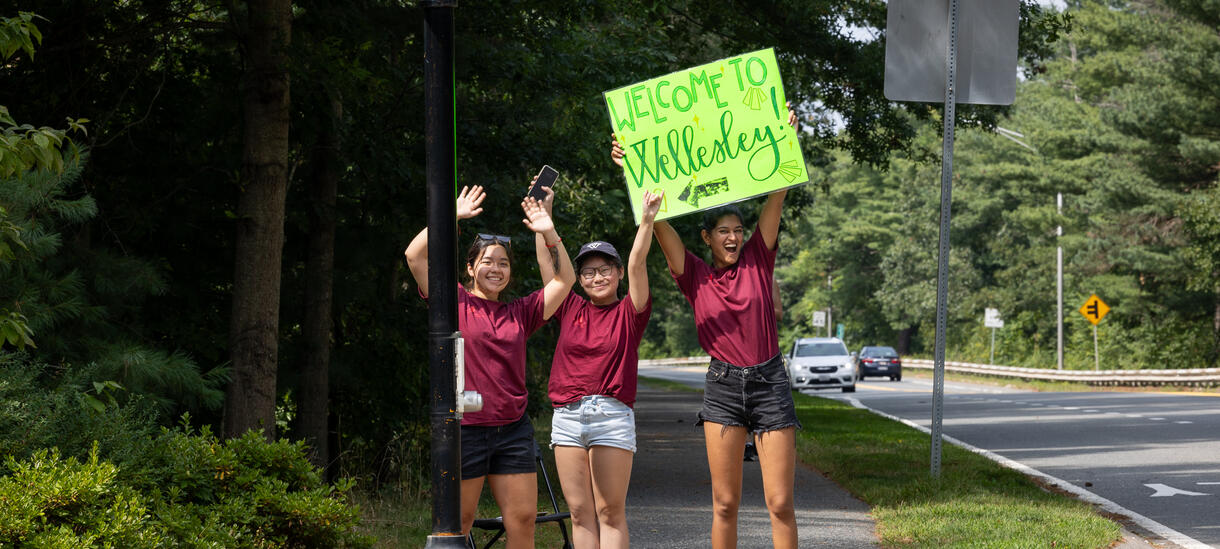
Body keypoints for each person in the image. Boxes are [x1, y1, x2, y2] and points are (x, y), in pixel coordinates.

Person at [611, 103, 800, 549]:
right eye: (723, 231)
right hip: (722, 386)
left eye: (738, 229)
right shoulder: (694, 274)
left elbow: (778, 193)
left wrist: (787, 136)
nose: (733, 237)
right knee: (724, 503)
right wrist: (633, 167)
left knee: (780, 503)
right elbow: (658, 226)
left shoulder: (758, 257)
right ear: (707, 237)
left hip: (770, 382)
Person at [403, 184, 576, 549]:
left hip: (513, 430)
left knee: (523, 521)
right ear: (470, 267)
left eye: (503, 262)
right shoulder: (455, 301)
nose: (496, 268)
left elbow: (565, 281)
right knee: (458, 524)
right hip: (466, 429)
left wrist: (547, 228)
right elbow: (414, 257)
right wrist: (449, 217)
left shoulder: (521, 313)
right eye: (487, 261)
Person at [541, 188, 663, 549]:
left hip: (610, 414)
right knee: (580, 514)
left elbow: (639, 260)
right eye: (589, 272)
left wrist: (647, 220)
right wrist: (541, 223)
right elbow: (549, 268)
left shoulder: (631, 312)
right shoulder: (568, 307)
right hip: (566, 417)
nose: (598, 277)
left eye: (605, 269)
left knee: (610, 512)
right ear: (579, 280)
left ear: (618, 273)